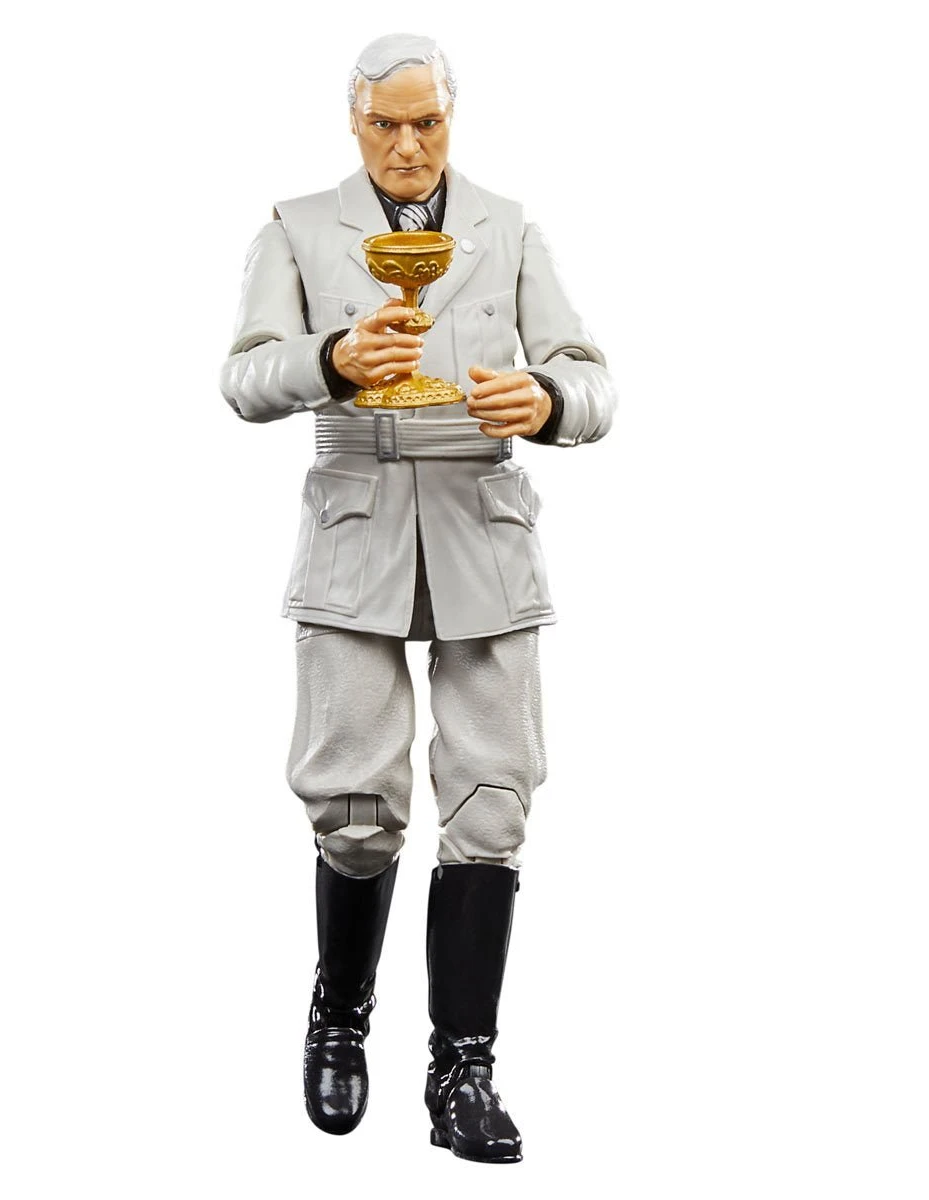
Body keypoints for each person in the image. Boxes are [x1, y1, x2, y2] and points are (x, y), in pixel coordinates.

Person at [219, 32, 617, 1164]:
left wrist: (547, 401)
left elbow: (593, 378)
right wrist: (330, 361)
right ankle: (340, 1016)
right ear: (353, 121)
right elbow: (243, 376)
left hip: (483, 526)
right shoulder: (298, 227)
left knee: (492, 803)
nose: (407, 145)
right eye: (386, 124)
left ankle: (464, 1068)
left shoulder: (508, 226)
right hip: (357, 525)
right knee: (353, 802)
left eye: (427, 123)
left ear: (452, 119)